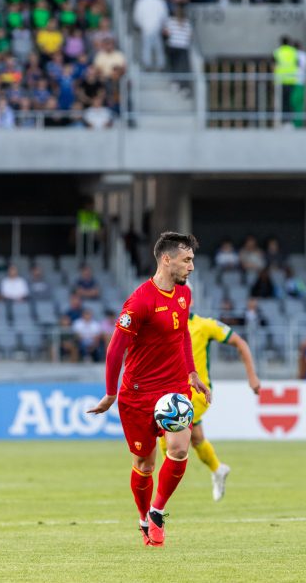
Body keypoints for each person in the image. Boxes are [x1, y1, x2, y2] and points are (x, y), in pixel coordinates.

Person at [86, 232, 210, 548]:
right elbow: (116, 349)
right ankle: (142, 518)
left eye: (192, 260)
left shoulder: (184, 294)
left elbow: (182, 332)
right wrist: (111, 393)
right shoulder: (140, 301)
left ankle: (156, 513)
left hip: (174, 388)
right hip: (138, 393)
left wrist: (192, 371)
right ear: (166, 260)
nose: (192, 267)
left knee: (181, 449)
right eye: (187, 260)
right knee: (145, 464)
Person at [159, 311, 261, 502]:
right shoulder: (163, 323)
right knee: (196, 438)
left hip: (196, 393)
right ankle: (218, 469)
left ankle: (165, 485)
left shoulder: (204, 325)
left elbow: (240, 342)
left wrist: (252, 376)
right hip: (170, 389)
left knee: (167, 425)